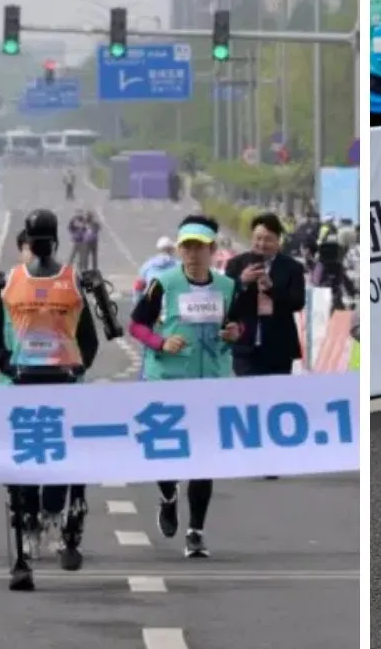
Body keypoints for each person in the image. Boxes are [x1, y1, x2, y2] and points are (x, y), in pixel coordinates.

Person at [0, 209, 101, 590]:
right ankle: (22, 550)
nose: (41, 246)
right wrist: (9, 367)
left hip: (63, 390)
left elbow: (90, 340)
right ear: (29, 243)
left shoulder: (72, 284)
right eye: (37, 240)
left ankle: (53, 515)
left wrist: (76, 370)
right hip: (18, 391)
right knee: (22, 477)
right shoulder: (10, 285)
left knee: (56, 472)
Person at [128, 215, 243, 558]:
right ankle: (167, 496)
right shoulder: (162, 284)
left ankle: (196, 531)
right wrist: (161, 342)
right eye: (186, 247)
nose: (192, 254)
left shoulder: (227, 287)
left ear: (212, 249)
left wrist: (234, 333)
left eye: (199, 247)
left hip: (211, 382)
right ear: (179, 250)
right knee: (167, 454)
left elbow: (238, 327)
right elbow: (136, 326)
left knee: (204, 461)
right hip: (166, 381)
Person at [225, 213, 307, 378]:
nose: (262, 244)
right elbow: (227, 304)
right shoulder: (236, 265)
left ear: (278, 241)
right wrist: (242, 282)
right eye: (258, 238)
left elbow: (298, 303)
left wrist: (271, 289)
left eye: (268, 239)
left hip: (279, 347)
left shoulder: (293, 268)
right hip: (244, 346)